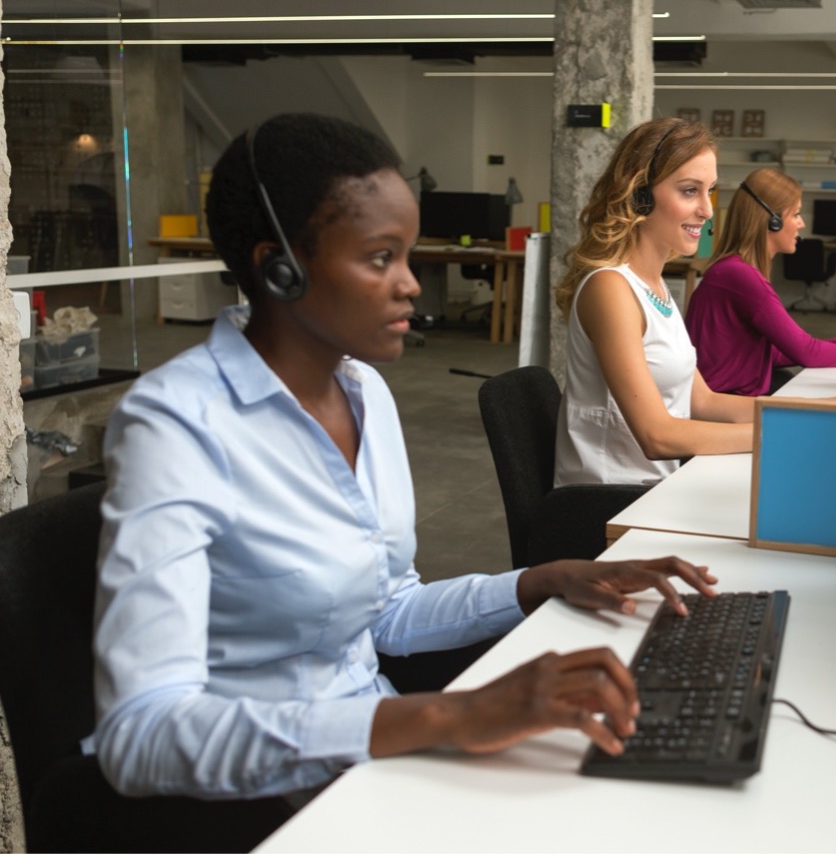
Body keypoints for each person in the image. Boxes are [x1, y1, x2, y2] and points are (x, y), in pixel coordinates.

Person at [88, 114, 718, 819]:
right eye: (380, 257)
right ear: (280, 267)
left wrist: (543, 580)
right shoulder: (178, 424)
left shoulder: (365, 395)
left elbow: (385, 613)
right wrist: (446, 718)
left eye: (408, 257)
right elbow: (139, 735)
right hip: (262, 800)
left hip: (375, 751)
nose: (412, 285)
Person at [553, 117, 754, 487]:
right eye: (690, 191)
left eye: (709, 191)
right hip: (608, 504)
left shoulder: (654, 285)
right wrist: (782, 434)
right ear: (639, 195)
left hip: (653, 490)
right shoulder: (610, 288)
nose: (708, 211)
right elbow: (656, 436)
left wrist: (801, 415)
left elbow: (703, 401)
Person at [686, 168, 836, 397]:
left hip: (733, 394)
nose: (802, 224)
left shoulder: (733, 269)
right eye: (796, 214)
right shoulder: (740, 276)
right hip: (727, 405)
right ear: (773, 221)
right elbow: (806, 353)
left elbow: (773, 354)